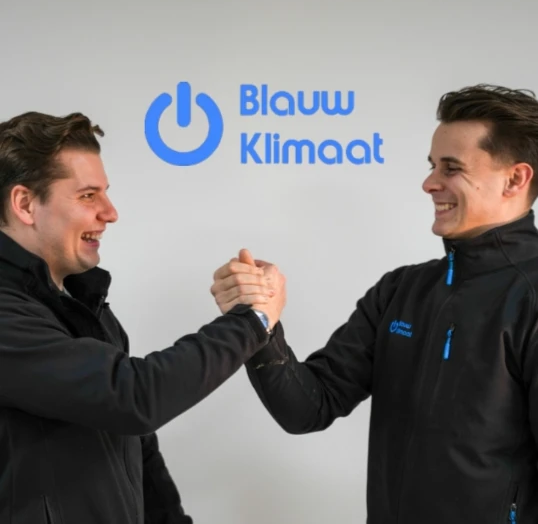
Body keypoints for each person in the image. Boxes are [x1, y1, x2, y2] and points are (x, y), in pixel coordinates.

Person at [210, 84, 538, 523]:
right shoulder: (401, 290)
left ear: (515, 179)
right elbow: (308, 407)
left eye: (452, 168)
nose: (429, 183)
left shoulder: (530, 298)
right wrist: (260, 320)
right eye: (432, 166)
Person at [0, 111, 286, 524]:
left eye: (105, 193)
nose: (110, 212)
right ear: (25, 204)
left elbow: (136, 443)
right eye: (88, 196)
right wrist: (253, 321)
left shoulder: (83, 303)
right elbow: (132, 397)